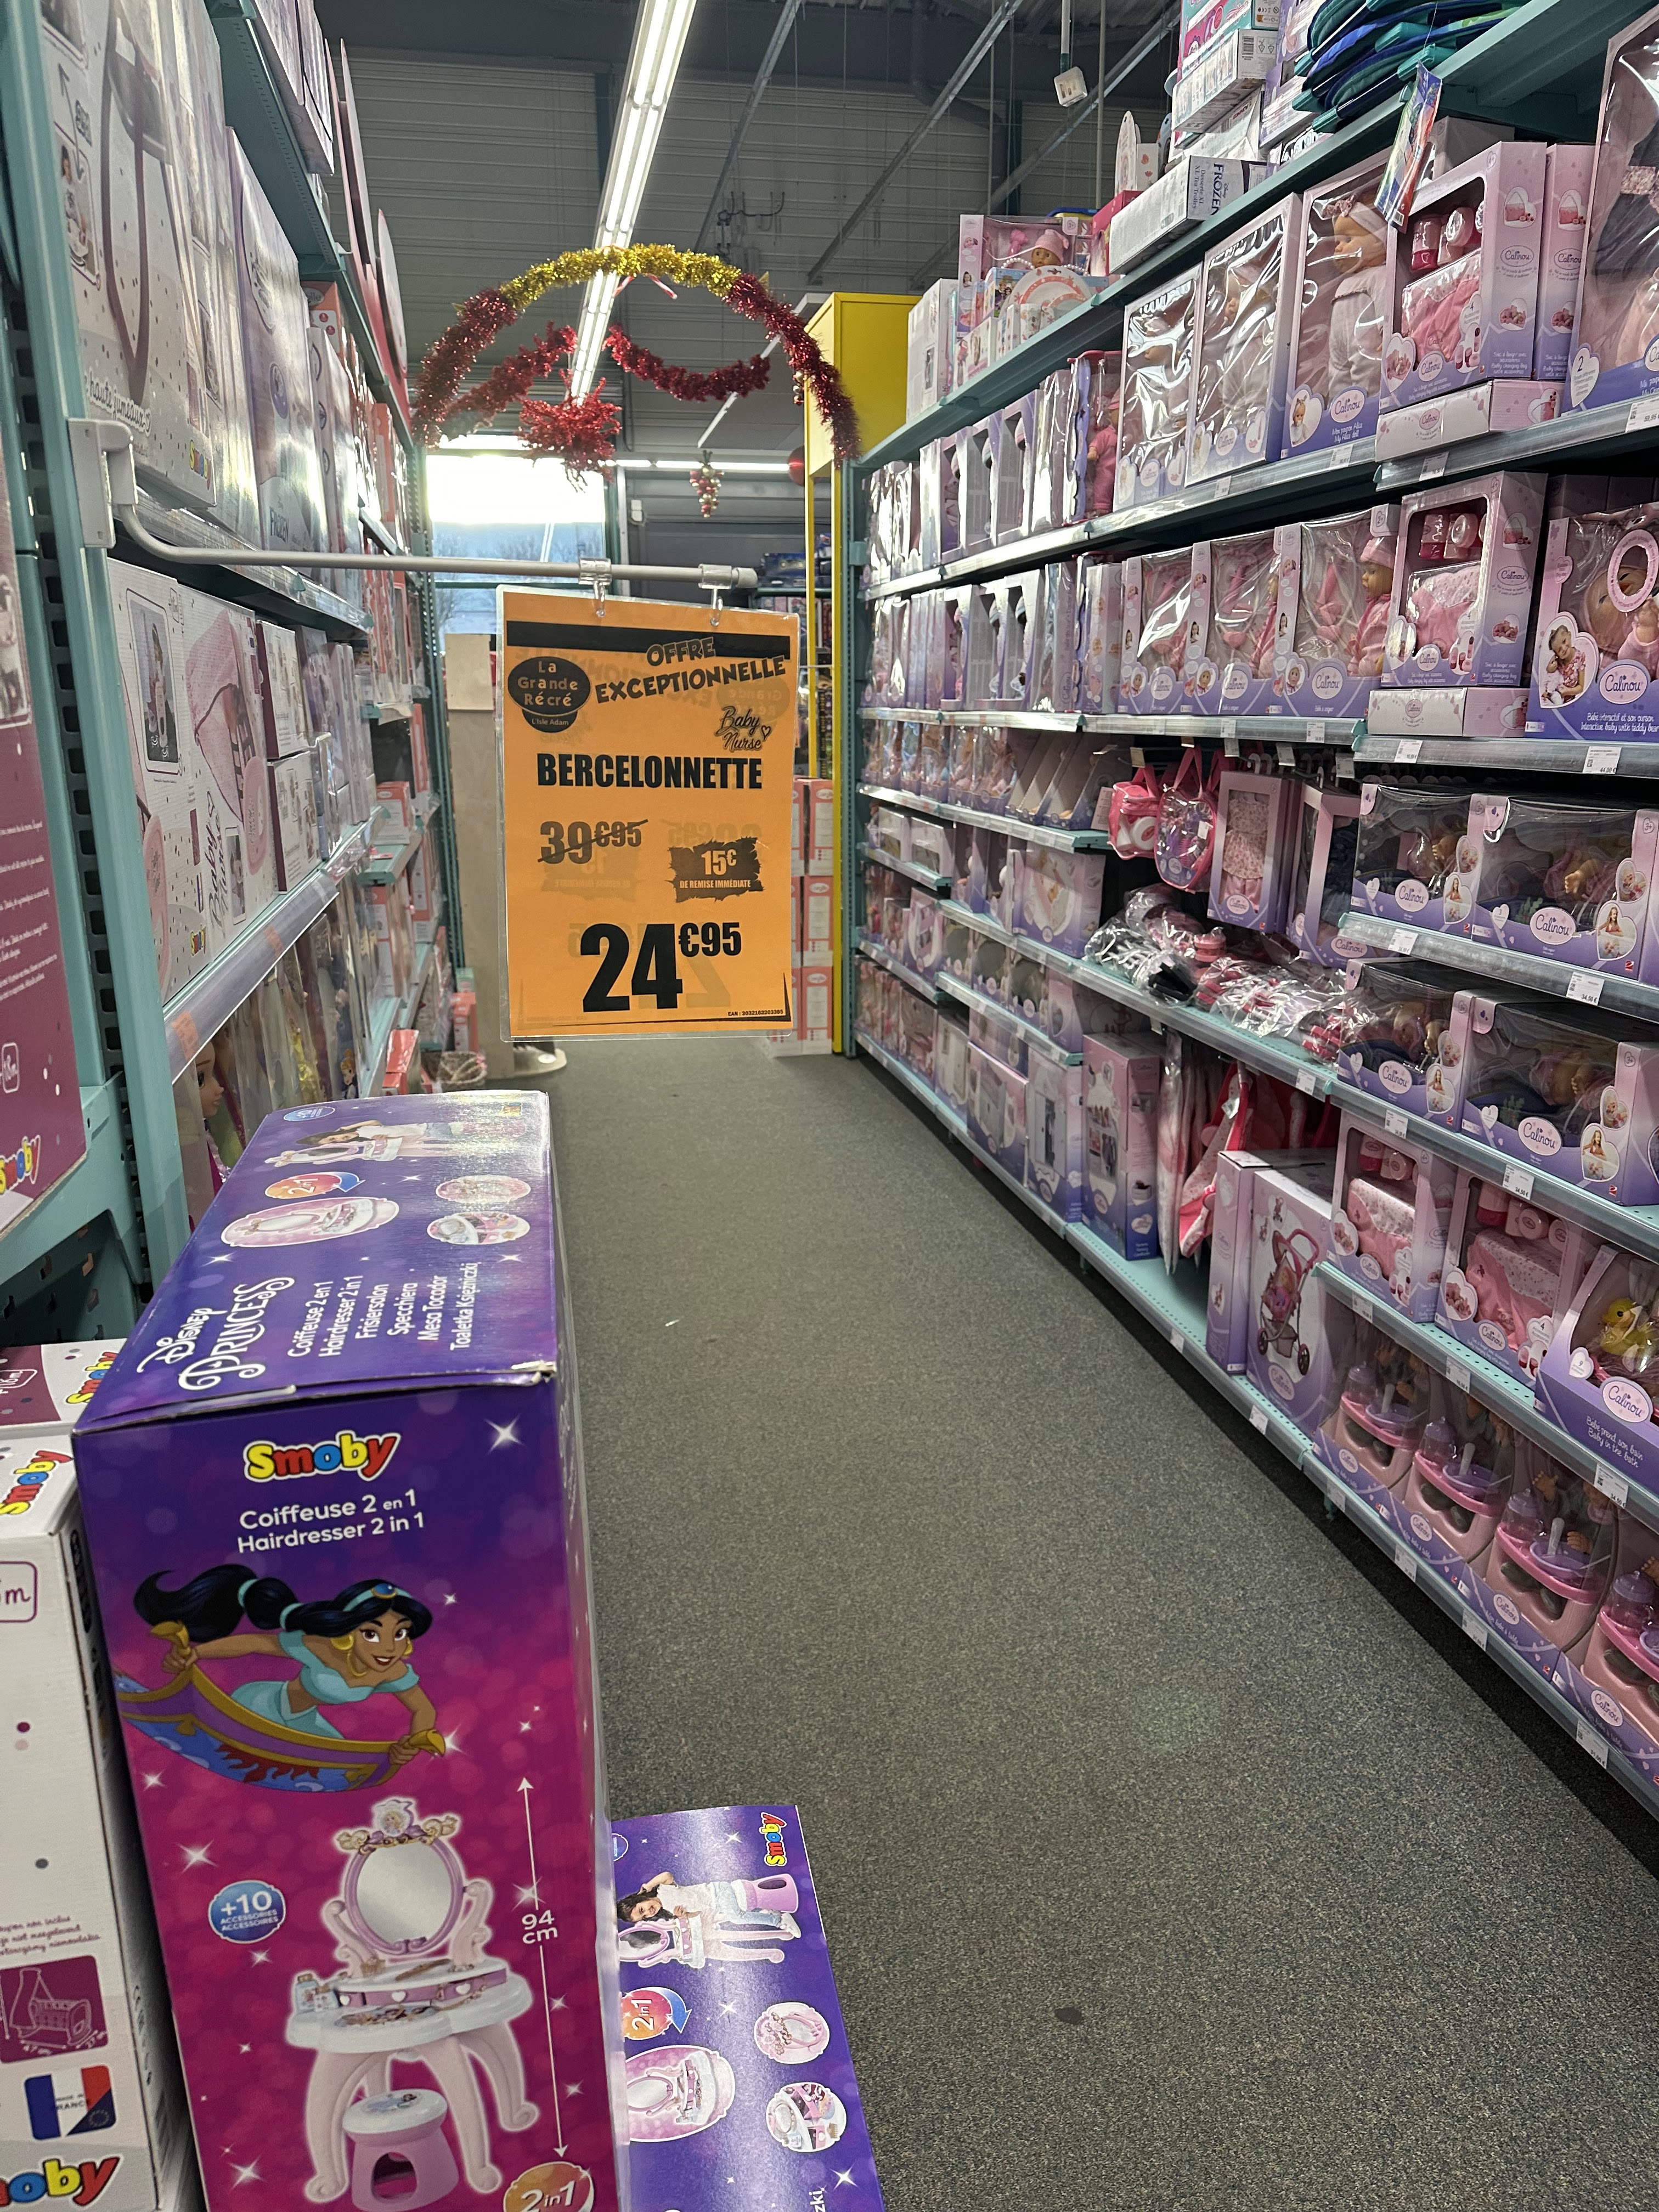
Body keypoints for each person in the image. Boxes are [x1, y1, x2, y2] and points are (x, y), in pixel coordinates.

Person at [132, 1567, 441, 1766]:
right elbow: (256, 1643)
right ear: (348, 1631)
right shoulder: (321, 1647)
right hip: (261, 1705)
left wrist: (413, 1743)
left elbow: (423, 1709)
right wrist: (196, 1654)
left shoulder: (392, 1671)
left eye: (400, 1633)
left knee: (334, 1756)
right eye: (371, 1634)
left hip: (305, 1723)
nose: (390, 1648)